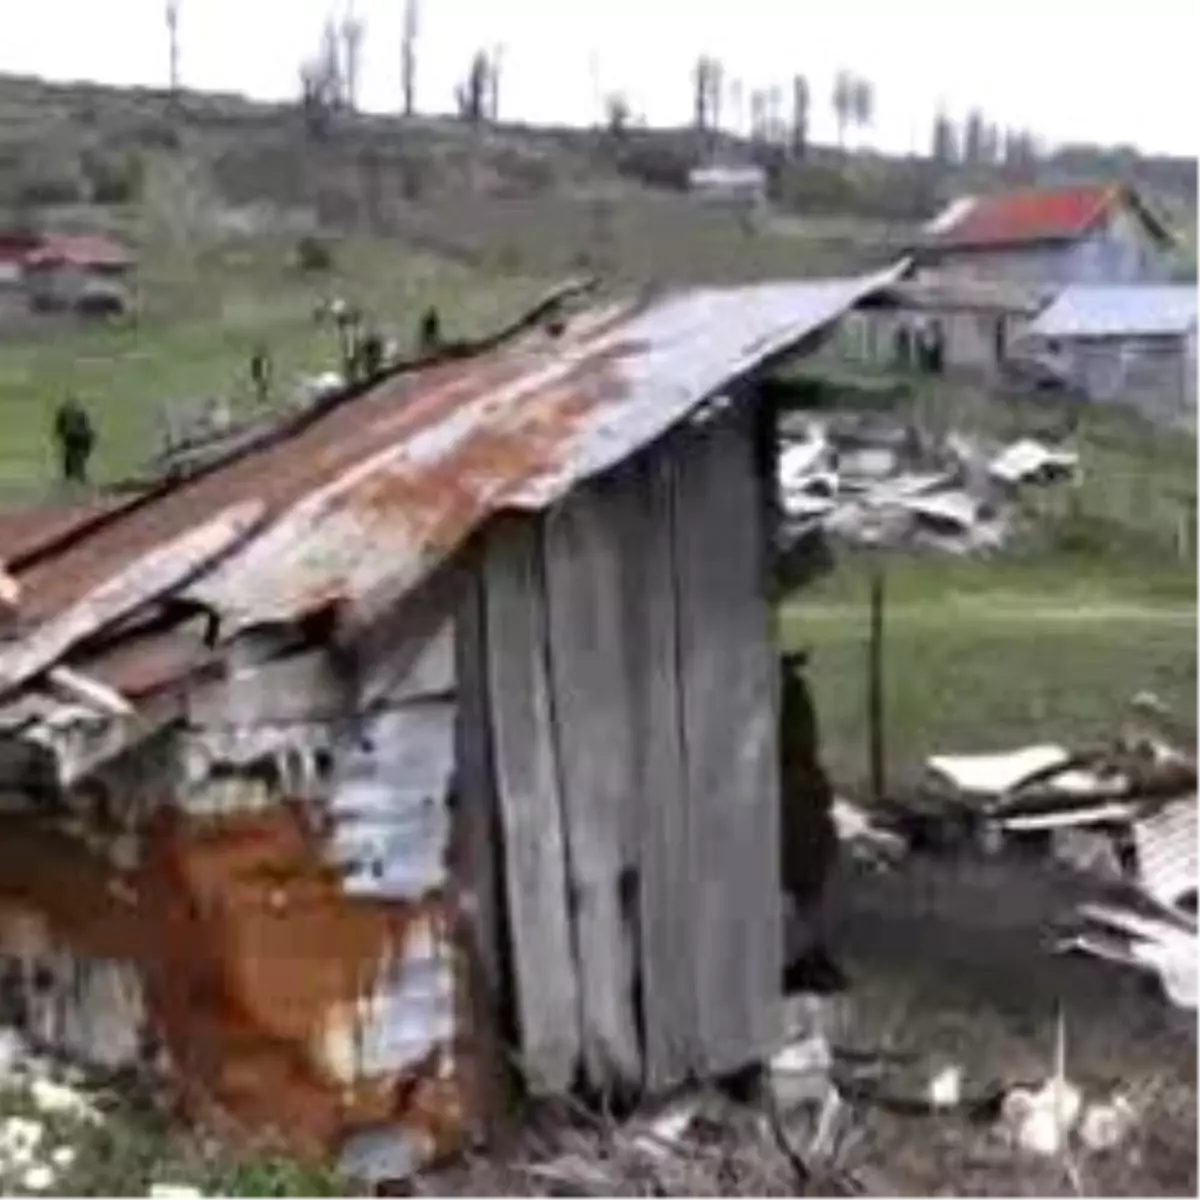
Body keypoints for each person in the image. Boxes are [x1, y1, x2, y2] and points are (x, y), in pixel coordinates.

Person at [778, 648, 846, 994]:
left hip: (796, 791)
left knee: (808, 879)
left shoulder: (792, 695)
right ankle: (799, 955)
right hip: (787, 792)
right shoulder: (783, 697)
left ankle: (808, 952)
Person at [53, 396, 96, 486]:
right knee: (79, 465)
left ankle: (72, 486)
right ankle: (82, 484)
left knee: (70, 468)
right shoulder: (81, 413)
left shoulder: (65, 411)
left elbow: (58, 430)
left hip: (73, 438)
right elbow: (88, 431)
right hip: (83, 438)